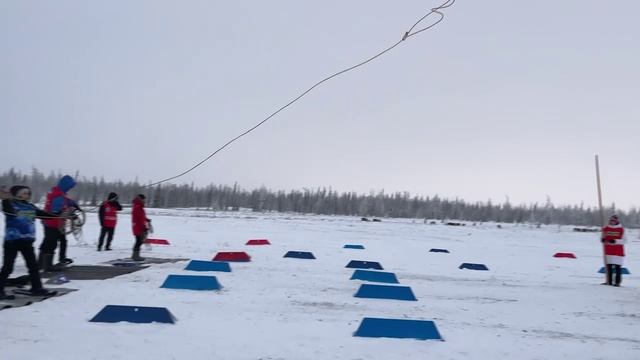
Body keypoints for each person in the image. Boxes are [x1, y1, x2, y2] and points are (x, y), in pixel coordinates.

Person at [1, 186, 57, 300]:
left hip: (27, 241)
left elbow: (42, 214)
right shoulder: (10, 204)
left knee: (33, 266)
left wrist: (59, 215)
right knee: (8, 267)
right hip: (13, 241)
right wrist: (5, 199)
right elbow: (9, 211)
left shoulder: (30, 206)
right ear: (17, 194)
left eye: (28, 193)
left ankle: (37, 288)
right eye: (24, 193)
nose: (27, 194)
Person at [39, 175, 80, 271]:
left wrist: (74, 204)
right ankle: (47, 265)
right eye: (69, 187)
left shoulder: (60, 194)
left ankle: (42, 263)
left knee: (58, 241)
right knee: (50, 243)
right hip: (52, 224)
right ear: (65, 185)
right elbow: (56, 212)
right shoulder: (57, 196)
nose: (69, 189)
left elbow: (67, 202)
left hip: (56, 224)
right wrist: (70, 215)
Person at [601, 214, 626, 286]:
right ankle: (609, 281)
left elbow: (624, 240)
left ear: (617, 221)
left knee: (617, 267)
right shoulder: (606, 228)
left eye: (614, 220)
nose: (612, 222)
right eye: (611, 220)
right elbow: (602, 237)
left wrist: (615, 241)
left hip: (617, 252)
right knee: (609, 267)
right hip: (608, 251)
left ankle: (617, 282)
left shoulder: (621, 229)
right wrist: (602, 239)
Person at [131, 194, 151, 261]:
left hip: (138, 227)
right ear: (141, 199)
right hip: (138, 227)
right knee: (138, 241)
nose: (144, 201)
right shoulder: (138, 207)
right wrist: (144, 227)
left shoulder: (138, 207)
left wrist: (146, 219)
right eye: (143, 199)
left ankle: (135, 255)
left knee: (138, 241)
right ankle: (135, 256)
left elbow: (142, 217)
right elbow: (139, 219)